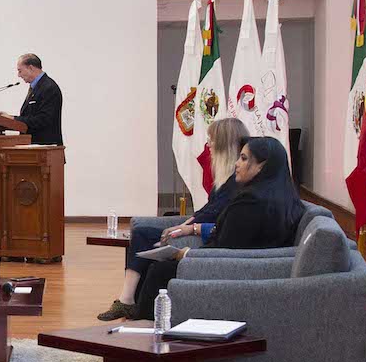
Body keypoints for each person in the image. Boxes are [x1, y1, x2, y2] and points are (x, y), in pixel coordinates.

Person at [131, 136, 306, 317]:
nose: (236, 163)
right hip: (249, 268)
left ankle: (144, 327)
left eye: (244, 158)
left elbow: (226, 248)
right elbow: (237, 238)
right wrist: (194, 231)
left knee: (158, 270)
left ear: (261, 166)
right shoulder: (286, 200)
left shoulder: (251, 203)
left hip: (229, 271)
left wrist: (185, 254)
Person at [100, 116, 247, 321]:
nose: (208, 145)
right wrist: (184, 224)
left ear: (223, 144)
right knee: (141, 232)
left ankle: (128, 302)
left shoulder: (236, 183)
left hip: (206, 239)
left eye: (212, 140)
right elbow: (208, 210)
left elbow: (215, 217)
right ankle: (127, 300)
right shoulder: (225, 179)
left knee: (144, 235)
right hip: (195, 231)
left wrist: (185, 228)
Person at [10, 53, 63, 146]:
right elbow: (31, 115)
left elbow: (43, 120)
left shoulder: (48, 87)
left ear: (30, 68)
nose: (18, 75)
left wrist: (14, 119)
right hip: (33, 147)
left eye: (20, 71)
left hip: (46, 148)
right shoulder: (36, 87)